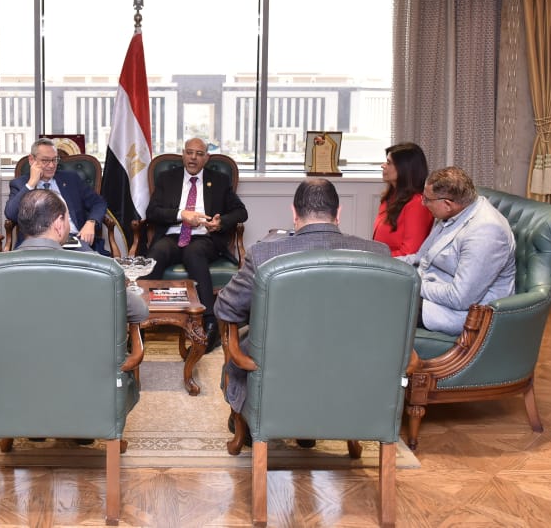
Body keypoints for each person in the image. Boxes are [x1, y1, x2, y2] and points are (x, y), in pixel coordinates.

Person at [214, 178, 390, 424]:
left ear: (294, 213)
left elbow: (226, 308)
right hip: (351, 368)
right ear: (338, 213)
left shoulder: (263, 254)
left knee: (246, 345)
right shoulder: (379, 254)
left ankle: (256, 423)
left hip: (279, 366)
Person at [144, 137, 248, 351]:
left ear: (206, 158)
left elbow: (241, 212)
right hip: (173, 235)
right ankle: (139, 318)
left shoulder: (219, 180)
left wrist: (220, 223)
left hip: (205, 237)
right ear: (183, 154)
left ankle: (210, 323)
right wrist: (182, 215)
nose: (193, 158)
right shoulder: (167, 178)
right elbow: (152, 212)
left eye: (199, 154)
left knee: (194, 252)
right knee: (157, 252)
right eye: (189, 152)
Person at [400, 166, 516, 336]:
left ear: (447, 204)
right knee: (373, 285)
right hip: (434, 294)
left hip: (460, 313)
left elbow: (460, 298)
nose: (423, 203)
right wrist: (385, 264)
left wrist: (409, 283)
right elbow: (422, 259)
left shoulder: (486, 231)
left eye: (427, 199)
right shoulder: (455, 211)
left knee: (380, 302)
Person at [14, 189, 149, 324]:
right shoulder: (96, 269)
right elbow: (139, 311)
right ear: (59, 224)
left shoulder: (0, 267)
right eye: (67, 218)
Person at [5, 138, 108, 254]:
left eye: (55, 159)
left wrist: (91, 222)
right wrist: (31, 183)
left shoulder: (71, 179)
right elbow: (11, 214)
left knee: (88, 261)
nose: (51, 165)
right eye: (45, 160)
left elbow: (98, 203)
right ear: (32, 160)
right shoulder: (20, 184)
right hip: (35, 243)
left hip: (72, 240)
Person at [372, 142, 434, 257]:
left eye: (389, 163)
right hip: (381, 261)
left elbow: (410, 253)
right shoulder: (389, 198)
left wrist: (375, 259)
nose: (383, 165)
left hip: (396, 266)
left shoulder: (417, 204)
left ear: (404, 169)